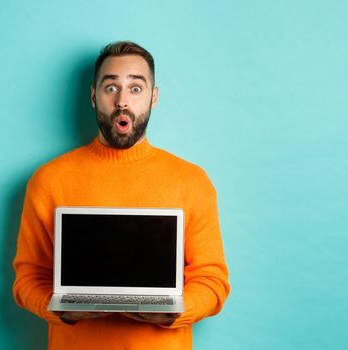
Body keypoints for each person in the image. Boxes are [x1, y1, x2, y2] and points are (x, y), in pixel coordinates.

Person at [12, 40, 230, 349]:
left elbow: (213, 281)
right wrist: (57, 307)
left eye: (136, 89)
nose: (122, 102)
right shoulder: (49, 179)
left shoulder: (191, 181)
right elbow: (27, 279)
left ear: (153, 98)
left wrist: (172, 312)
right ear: (93, 96)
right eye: (111, 88)